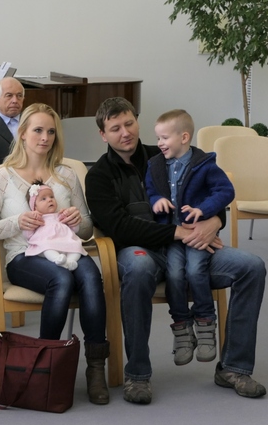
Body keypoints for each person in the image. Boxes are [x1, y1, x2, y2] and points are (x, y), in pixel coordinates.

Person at [85, 97, 266, 404]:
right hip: (140, 250)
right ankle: (137, 375)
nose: (125, 132)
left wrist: (214, 222)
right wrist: (178, 232)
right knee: (138, 269)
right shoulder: (98, 176)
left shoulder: (165, 154)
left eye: (129, 123)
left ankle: (233, 368)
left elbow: (208, 192)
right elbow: (121, 228)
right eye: (115, 128)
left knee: (252, 267)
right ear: (103, 135)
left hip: (190, 248)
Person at [0, 103, 110, 405]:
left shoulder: (66, 175)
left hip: (68, 249)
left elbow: (86, 230)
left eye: (51, 131)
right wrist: (15, 223)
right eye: (37, 130)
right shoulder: (3, 176)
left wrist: (77, 220)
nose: (45, 138)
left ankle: (96, 367)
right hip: (24, 256)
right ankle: (45, 363)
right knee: (61, 280)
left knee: (92, 276)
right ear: (22, 133)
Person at [145, 109, 234, 366]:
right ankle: (182, 326)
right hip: (172, 237)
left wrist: (203, 210)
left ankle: (205, 322)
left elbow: (225, 191)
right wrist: (156, 200)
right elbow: (149, 189)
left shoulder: (204, 165)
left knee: (195, 271)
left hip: (196, 234)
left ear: (184, 137)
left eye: (164, 138)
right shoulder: (155, 165)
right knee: (174, 274)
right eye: (158, 138)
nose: (159, 143)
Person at [24, 181, 87, 271]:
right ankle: (57, 259)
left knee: (76, 246)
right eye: (43, 199)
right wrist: (31, 220)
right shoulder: (37, 219)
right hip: (48, 245)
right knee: (46, 247)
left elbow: (75, 230)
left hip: (66, 243)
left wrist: (72, 220)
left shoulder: (61, 215)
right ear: (35, 207)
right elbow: (28, 236)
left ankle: (70, 262)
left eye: (51, 197)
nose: (50, 200)